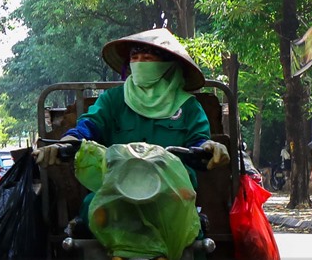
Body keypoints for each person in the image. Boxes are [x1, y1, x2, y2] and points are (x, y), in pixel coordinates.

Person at [40, 28, 228, 171]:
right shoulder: (113, 99)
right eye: (135, 58)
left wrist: (209, 147)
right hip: (117, 189)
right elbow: (89, 126)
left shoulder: (188, 106)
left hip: (173, 192)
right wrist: (65, 142)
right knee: (92, 214)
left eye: (147, 58)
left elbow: (198, 142)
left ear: (168, 66)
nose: (139, 64)